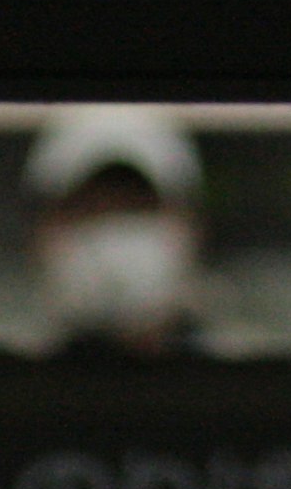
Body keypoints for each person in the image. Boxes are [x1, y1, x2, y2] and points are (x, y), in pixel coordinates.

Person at [26, 107, 205, 355]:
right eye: (89, 209)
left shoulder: (243, 384)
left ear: (190, 226)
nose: (113, 229)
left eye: (135, 208)